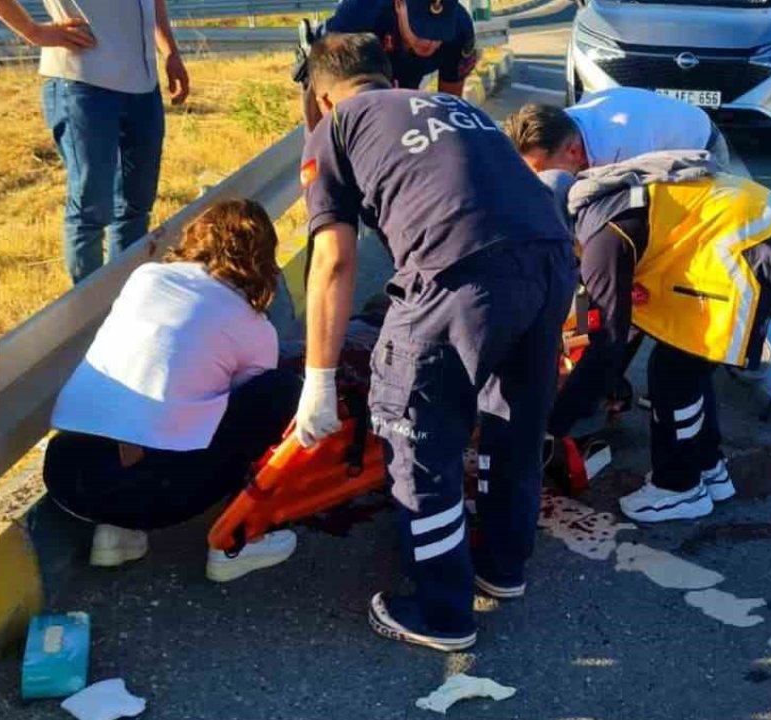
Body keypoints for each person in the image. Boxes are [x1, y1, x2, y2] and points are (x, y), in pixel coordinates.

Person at [295, 33, 575, 652]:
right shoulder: (461, 109)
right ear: (386, 74)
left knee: (416, 441)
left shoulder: (335, 127)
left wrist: (316, 382)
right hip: (551, 263)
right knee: (513, 428)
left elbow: (334, 263)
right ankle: (503, 569)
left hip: (460, 277)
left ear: (320, 93)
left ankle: (440, 611)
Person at [541, 152, 771, 523]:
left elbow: (608, 345)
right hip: (769, 239)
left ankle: (678, 488)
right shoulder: (604, 197)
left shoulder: (603, 237)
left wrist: (551, 427)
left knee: (673, 373)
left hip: (757, 254)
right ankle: (708, 466)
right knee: (686, 365)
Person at [43, 199, 301, 583]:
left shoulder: (146, 277)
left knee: (145, 412)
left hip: (66, 468)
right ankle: (235, 542)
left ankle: (116, 533)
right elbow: (245, 413)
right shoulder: (254, 327)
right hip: (155, 492)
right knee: (278, 390)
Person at [0, 0, 190, 284]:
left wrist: (170, 52)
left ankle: (122, 302)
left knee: (136, 207)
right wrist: (34, 32)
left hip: (143, 87)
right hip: (84, 82)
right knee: (91, 211)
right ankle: (88, 315)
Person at [297, 0, 478, 131]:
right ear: (399, 5)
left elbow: (449, 105)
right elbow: (323, 87)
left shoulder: (460, 30)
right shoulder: (358, 16)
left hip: (404, 72)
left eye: (439, 31)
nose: (429, 41)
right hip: (355, 70)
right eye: (421, 28)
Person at [503, 87, 731, 174]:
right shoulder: (563, 127)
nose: (536, 179)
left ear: (574, 152)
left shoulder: (622, 147)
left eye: (540, 171)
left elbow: (638, 212)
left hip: (702, 150)